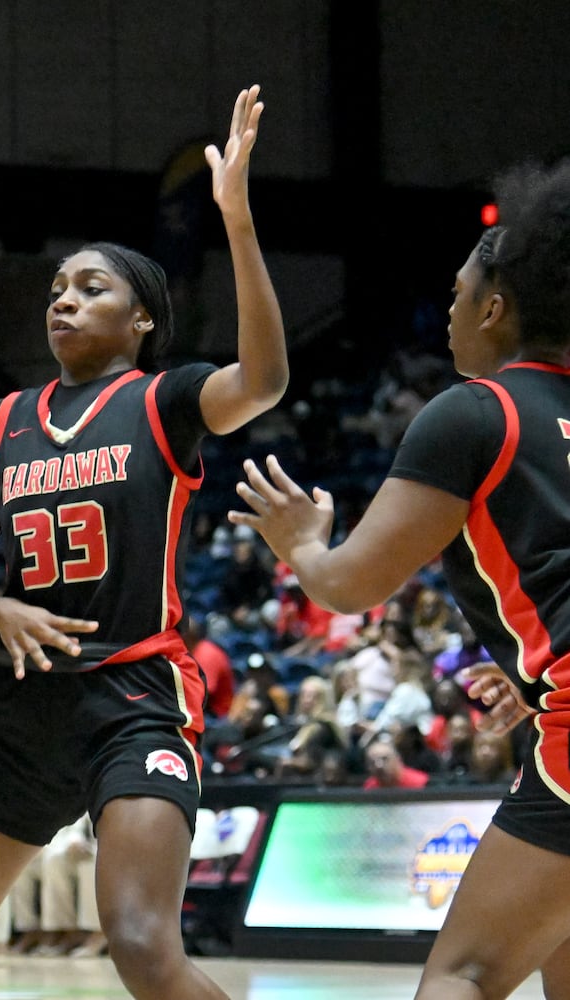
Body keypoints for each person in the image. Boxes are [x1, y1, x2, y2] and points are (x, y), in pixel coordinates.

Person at [0, 85, 285, 1000]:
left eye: (93, 289)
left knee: (138, 946)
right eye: (56, 290)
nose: (65, 302)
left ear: (141, 321)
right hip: (19, 709)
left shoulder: (162, 401)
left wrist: (235, 221)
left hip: (133, 696)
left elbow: (266, 380)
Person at [229, 157, 570, 1000]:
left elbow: (348, 586)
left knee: (460, 976)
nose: (447, 312)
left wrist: (301, 541)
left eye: (457, 293)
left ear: (493, 308)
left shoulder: (472, 412)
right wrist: (534, 674)